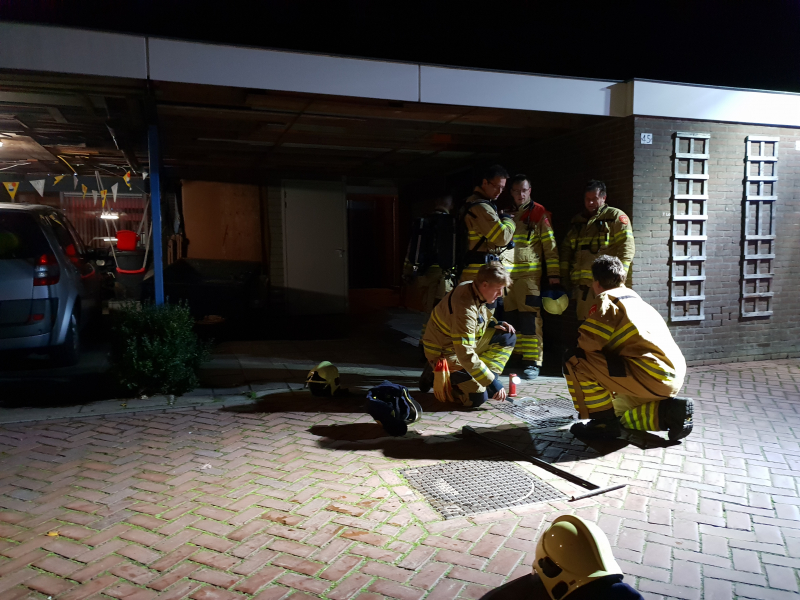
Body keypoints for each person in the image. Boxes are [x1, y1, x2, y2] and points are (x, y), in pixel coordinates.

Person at [563, 255, 692, 441]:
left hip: (649, 376)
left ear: (596, 282)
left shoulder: (608, 301)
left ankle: (602, 424)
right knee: (616, 410)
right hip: (669, 377)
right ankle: (669, 414)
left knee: (575, 360)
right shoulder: (637, 301)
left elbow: (587, 345)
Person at [419, 262, 516, 407]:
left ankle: (484, 379)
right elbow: (465, 354)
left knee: (507, 336)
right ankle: (437, 374)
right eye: (498, 290)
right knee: (477, 398)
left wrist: (494, 323)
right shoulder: (464, 308)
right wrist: (492, 382)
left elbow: (478, 316)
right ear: (485, 285)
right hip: (446, 352)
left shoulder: (472, 287)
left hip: (459, 345)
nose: (500, 295)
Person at [504, 174, 560, 380]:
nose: (521, 195)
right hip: (507, 278)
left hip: (529, 277)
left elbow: (550, 246)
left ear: (530, 190)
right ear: (511, 192)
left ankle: (532, 361)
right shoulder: (507, 213)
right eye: (517, 191)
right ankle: (516, 355)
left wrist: (554, 275)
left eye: (524, 190)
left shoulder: (539, 213)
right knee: (511, 317)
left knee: (530, 319)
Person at [560, 180, 635, 322]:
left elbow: (627, 248)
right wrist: (564, 277)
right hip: (582, 288)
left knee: (603, 326)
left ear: (603, 198)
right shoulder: (578, 222)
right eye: (587, 199)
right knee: (584, 327)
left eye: (594, 199)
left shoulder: (615, 217)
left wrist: (619, 278)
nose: (590, 203)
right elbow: (566, 250)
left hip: (605, 286)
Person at [403, 195, 456, 341]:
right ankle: (429, 345)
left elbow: (411, 249)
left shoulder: (423, 222)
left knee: (429, 310)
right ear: (450, 206)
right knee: (439, 312)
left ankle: (425, 343)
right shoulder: (452, 224)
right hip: (443, 274)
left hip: (423, 273)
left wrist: (408, 272)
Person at [459, 165, 515, 282]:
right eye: (496, 186)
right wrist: (508, 220)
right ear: (485, 183)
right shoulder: (481, 207)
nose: (499, 191)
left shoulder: (473, 203)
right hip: (480, 274)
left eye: (502, 188)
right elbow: (502, 238)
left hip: (477, 271)